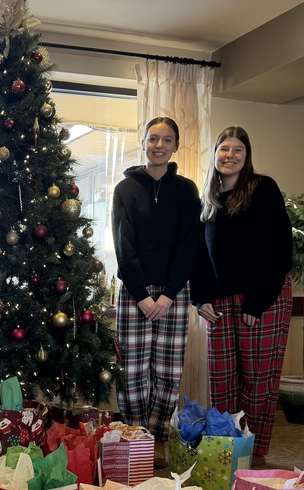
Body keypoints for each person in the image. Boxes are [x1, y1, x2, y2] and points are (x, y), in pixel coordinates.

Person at [192, 126, 293, 461]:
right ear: (215, 154)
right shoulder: (207, 198)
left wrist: (258, 300)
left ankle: (254, 451)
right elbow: (200, 255)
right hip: (219, 303)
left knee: (257, 382)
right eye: (224, 149)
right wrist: (201, 297)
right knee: (222, 382)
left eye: (237, 150)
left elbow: (279, 248)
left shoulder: (262, 189)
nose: (230, 156)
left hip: (262, 300)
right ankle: (228, 448)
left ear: (247, 156)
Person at [110, 117, 202, 465]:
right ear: (144, 143)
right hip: (135, 294)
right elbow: (124, 245)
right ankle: (135, 438)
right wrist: (141, 295)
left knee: (167, 372)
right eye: (153, 139)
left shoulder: (186, 190)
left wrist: (167, 295)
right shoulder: (125, 190)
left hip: (174, 295)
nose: (159, 145)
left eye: (166, 140)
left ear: (176, 146)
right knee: (132, 372)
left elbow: (189, 244)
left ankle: (159, 439)